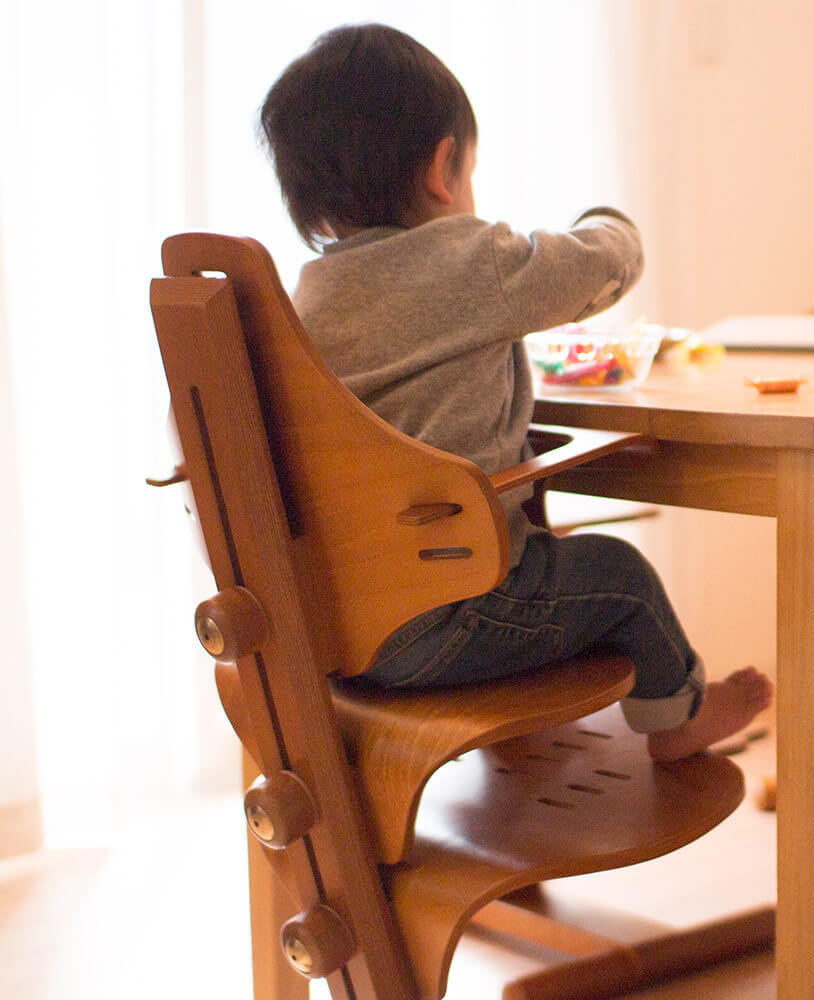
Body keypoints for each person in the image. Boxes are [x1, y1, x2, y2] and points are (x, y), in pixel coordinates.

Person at [258, 22, 772, 762]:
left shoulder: (303, 303)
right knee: (622, 577)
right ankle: (677, 719)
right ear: (443, 168)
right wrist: (611, 220)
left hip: (342, 632)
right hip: (457, 616)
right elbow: (601, 264)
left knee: (546, 557)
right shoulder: (472, 261)